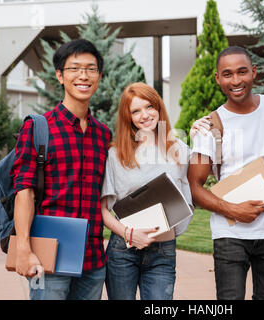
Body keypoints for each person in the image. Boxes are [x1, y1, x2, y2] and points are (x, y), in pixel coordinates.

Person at [188, 46, 264, 300]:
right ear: (217, 78)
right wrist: (232, 210)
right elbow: (194, 187)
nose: (235, 81)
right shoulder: (209, 126)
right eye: (227, 74)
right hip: (230, 233)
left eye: (242, 72)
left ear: (254, 72)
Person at [11, 39, 112, 300]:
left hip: (92, 259)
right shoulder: (38, 128)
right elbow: (25, 191)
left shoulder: (103, 134)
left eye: (91, 69)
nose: (83, 76)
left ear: (99, 76)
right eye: (75, 68)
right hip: (48, 254)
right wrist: (23, 247)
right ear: (60, 75)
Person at [100, 82, 193, 300]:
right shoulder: (116, 155)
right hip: (123, 250)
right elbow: (103, 210)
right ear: (128, 117)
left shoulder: (180, 149)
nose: (145, 115)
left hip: (163, 250)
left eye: (149, 106)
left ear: (159, 107)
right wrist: (128, 233)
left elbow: (199, 183)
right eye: (135, 111)